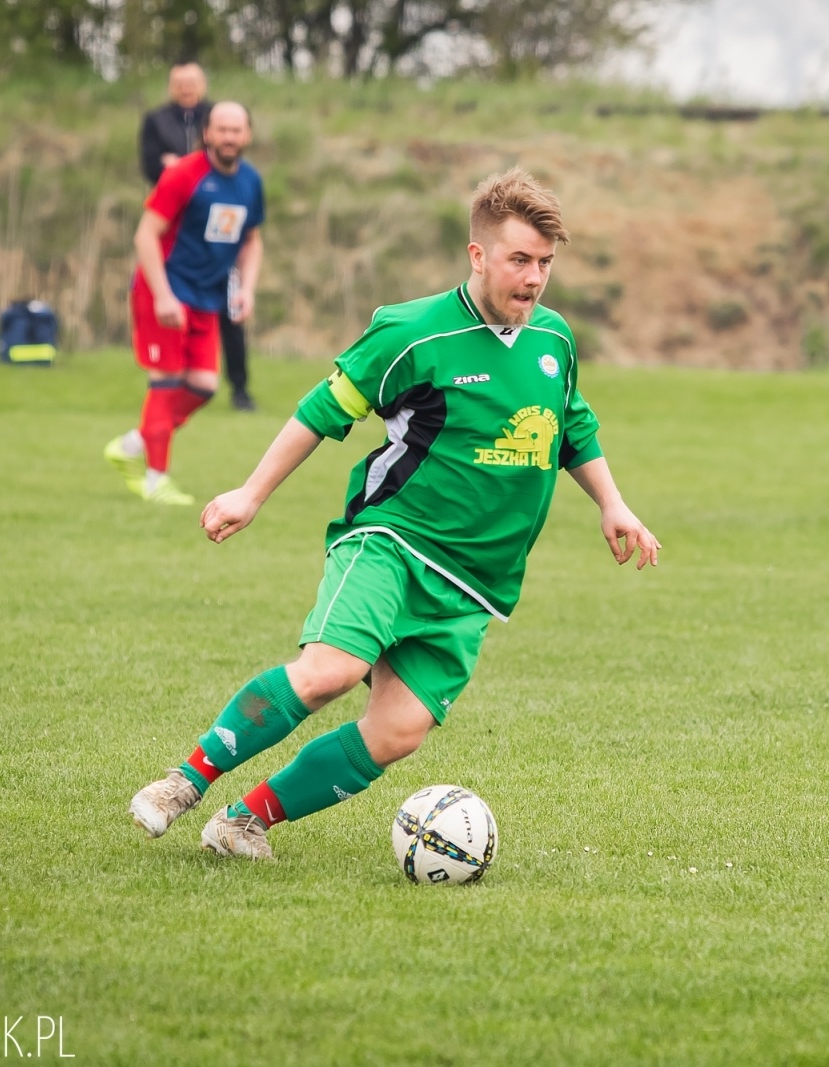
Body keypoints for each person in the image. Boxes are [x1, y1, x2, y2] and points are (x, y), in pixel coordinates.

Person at [128, 167, 660, 861]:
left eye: (546, 264)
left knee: (397, 732)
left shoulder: (553, 341)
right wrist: (249, 493)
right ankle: (183, 781)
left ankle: (242, 819)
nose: (533, 279)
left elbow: (573, 426)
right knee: (329, 671)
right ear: (478, 255)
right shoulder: (411, 332)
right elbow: (322, 411)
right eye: (519, 260)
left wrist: (613, 504)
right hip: (393, 543)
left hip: (475, 584)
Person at [104, 101, 264, 506]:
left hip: (206, 298)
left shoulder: (250, 182)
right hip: (164, 292)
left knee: (205, 386)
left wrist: (245, 289)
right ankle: (157, 480)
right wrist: (162, 296)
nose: (229, 137)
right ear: (207, 134)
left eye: (237, 129)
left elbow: (252, 240)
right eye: (221, 129)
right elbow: (145, 236)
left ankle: (133, 443)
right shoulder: (183, 174)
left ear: (247, 135)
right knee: (167, 381)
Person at [139, 62, 255, 411]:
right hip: (182, 226)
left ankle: (240, 387)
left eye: (192, 82)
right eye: (180, 83)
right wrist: (171, 166)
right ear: (171, 86)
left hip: (222, 240)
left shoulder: (218, 116)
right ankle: (166, 390)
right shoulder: (157, 120)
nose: (186, 88)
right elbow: (150, 164)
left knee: (232, 315)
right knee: (178, 318)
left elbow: (252, 234)